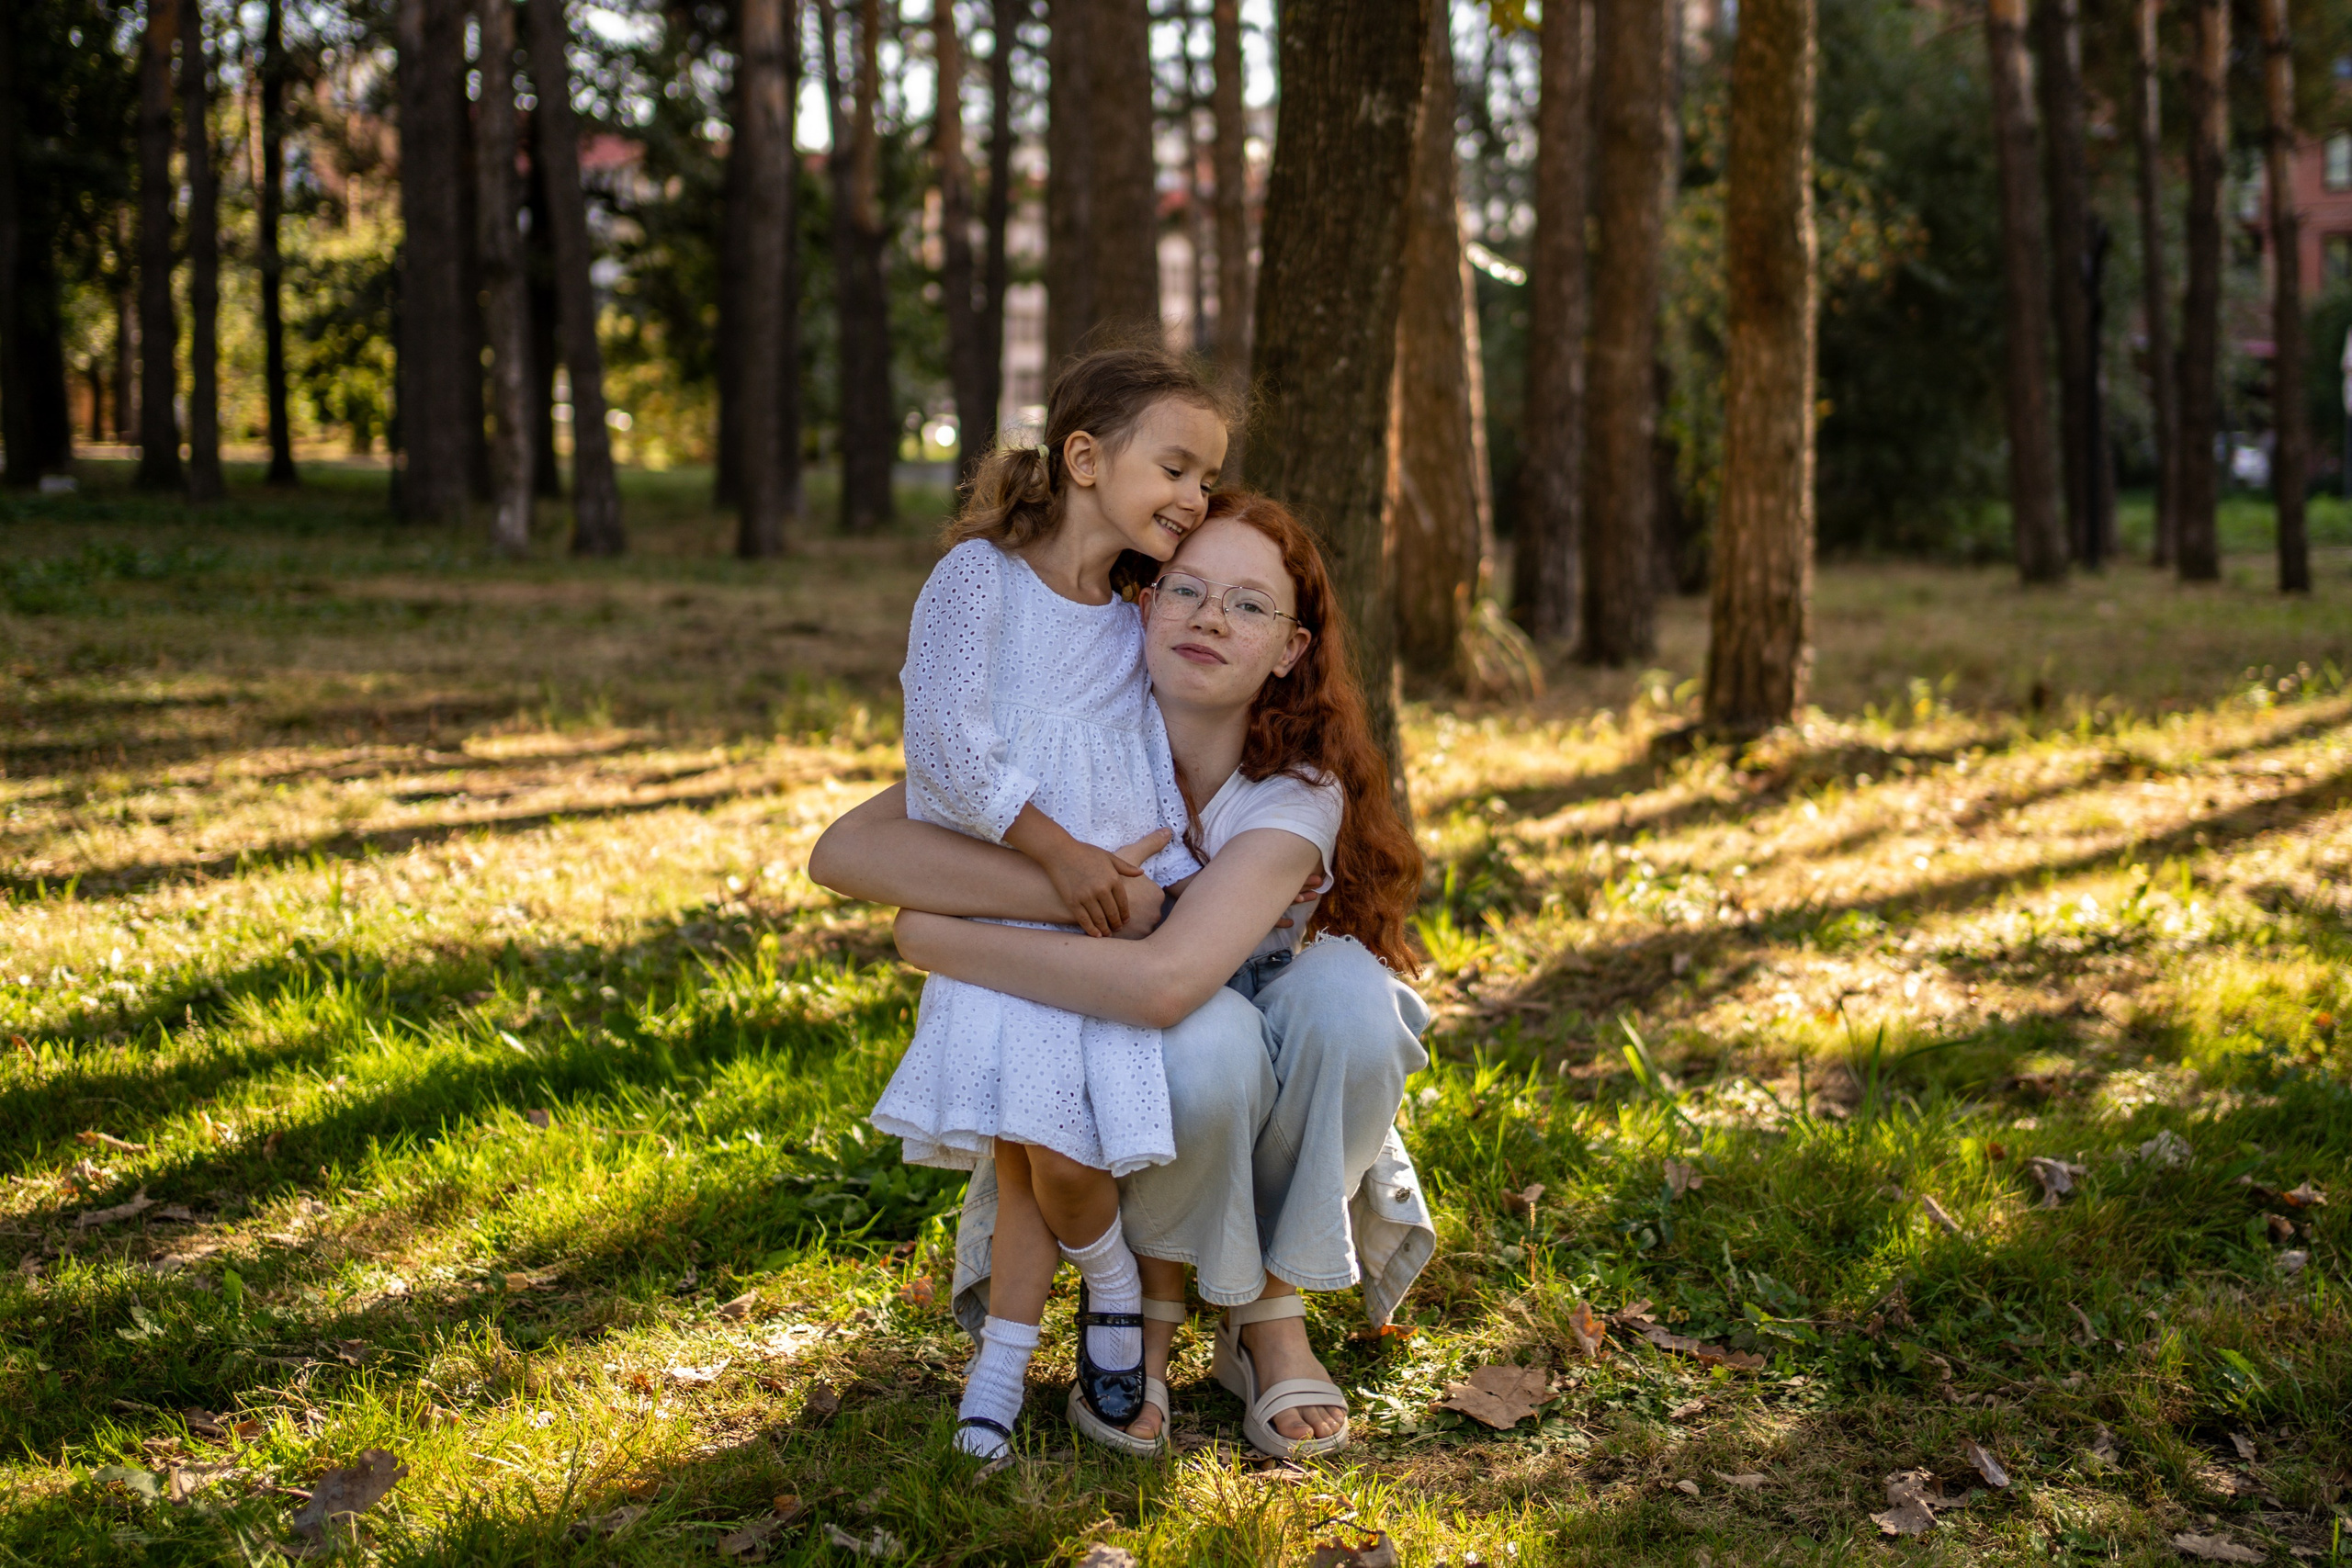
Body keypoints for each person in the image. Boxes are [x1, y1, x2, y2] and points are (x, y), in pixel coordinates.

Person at [812, 493, 1432, 1460]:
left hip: (1237, 1058)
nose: (1210, 617)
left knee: (1353, 1002)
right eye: (1185, 588)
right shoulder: (1066, 735)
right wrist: (1080, 881)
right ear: (1143, 608)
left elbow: (1161, 983)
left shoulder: (1295, 790)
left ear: (1289, 650)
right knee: (1203, 1044)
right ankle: (1152, 1306)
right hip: (1152, 1069)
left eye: (1249, 606)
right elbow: (848, 852)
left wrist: (935, 938)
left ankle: (1268, 1311)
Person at [863, 346, 1232, 1460]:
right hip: (1007, 921)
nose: (1194, 498)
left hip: (1106, 927)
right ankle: (1088, 1299)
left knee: (1054, 1148)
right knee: (1037, 1142)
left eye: (1207, 480)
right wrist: (1061, 857)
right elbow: (944, 747)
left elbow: (1156, 763)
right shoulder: (977, 579)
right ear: (1082, 457)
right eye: (1175, 466)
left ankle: (1014, 1357)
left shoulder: (1135, 623)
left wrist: (1147, 881)